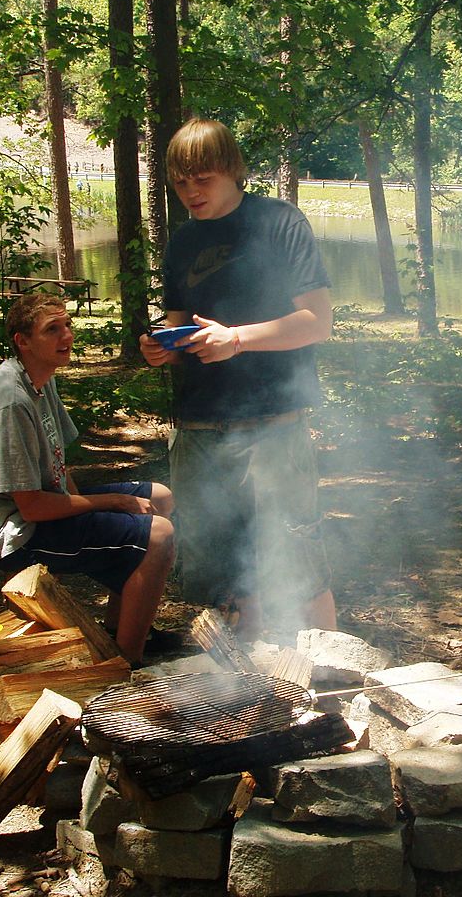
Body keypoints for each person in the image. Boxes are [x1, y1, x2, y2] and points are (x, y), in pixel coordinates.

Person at [139, 117, 336, 639]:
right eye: (180, 183)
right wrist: (163, 342)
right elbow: (181, 319)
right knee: (226, 573)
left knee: (297, 556)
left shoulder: (278, 223)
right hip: (200, 427)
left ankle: (332, 676)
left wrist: (238, 338)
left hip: (271, 422)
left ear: (231, 169)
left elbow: (318, 321)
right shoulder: (183, 241)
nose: (190, 193)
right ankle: (250, 687)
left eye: (201, 179)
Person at [0, 293, 176, 665]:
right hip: (12, 533)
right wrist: (114, 505)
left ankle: (121, 632)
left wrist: (94, 518)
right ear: (22, 342)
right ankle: (126, 664)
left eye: (67, 325)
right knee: (160, 534)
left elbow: (57, 461)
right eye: (51, 330)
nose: (66, 336)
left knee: (161, 498)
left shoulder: (41, 380)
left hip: (36, 508)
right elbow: (32, 506)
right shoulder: (10, 401)